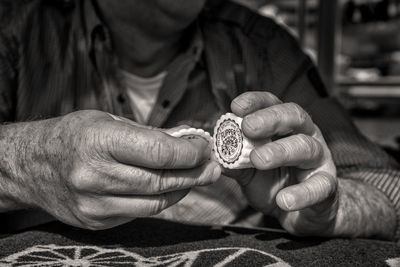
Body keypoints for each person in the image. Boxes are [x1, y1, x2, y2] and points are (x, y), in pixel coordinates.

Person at [0, 0, 398, 240]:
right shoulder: (16, 26)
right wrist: (27, 162)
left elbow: (389, 188)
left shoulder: (262, 47)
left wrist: (332, 205)